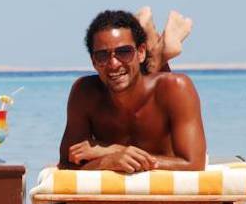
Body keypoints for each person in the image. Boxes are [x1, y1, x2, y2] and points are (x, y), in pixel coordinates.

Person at [58, 9, 206, 173]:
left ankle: (156, 53)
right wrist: (109, 160)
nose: (113, 64)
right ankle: (157, 53)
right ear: (93, 62)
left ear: (141, 52)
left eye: (124, 52)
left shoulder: (176, 88)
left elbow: (193, 164)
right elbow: (66, 163)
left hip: (162, 188)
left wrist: (109, 150)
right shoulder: (85, 93)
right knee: (131, 75)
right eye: (102, 55)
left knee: (144, 82)